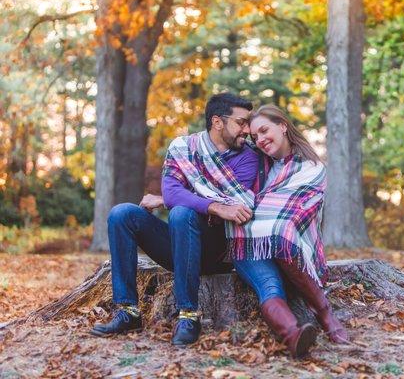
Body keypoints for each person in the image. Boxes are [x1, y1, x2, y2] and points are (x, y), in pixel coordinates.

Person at [90, 93, 258, 346]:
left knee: (181, 212)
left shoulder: (248, 157)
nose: (247, 130)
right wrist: (213, 205)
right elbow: (172, 193)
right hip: (181, 246)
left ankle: (189, 315)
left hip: (218, 250)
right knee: (121, 214)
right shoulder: (183, 148)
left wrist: (184, 198)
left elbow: (235, 203)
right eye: (241, 122)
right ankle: (128, 312)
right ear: (218, 122)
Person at [229, 104, 349, 358]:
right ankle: (294, 335)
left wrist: (263, 219)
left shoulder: (311, 168)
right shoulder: (257, 164)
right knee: (269, 286)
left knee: (281, 231)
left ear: (283, 126)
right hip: (247, 244)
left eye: (264, 131)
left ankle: (324, 312)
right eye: (255, 137)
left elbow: (293, 220)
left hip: (288, 249)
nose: (260, 140)